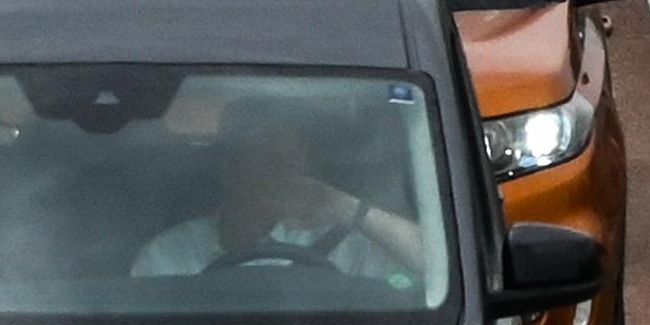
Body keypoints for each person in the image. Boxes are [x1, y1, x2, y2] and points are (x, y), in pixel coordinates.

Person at [131, 103, 430, 287]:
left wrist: (354, 210)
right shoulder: (170, 253)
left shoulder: (345, 244)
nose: (284, 171)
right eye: (266, 157)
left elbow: (436, 273)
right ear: (229, 171)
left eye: (292, 159)